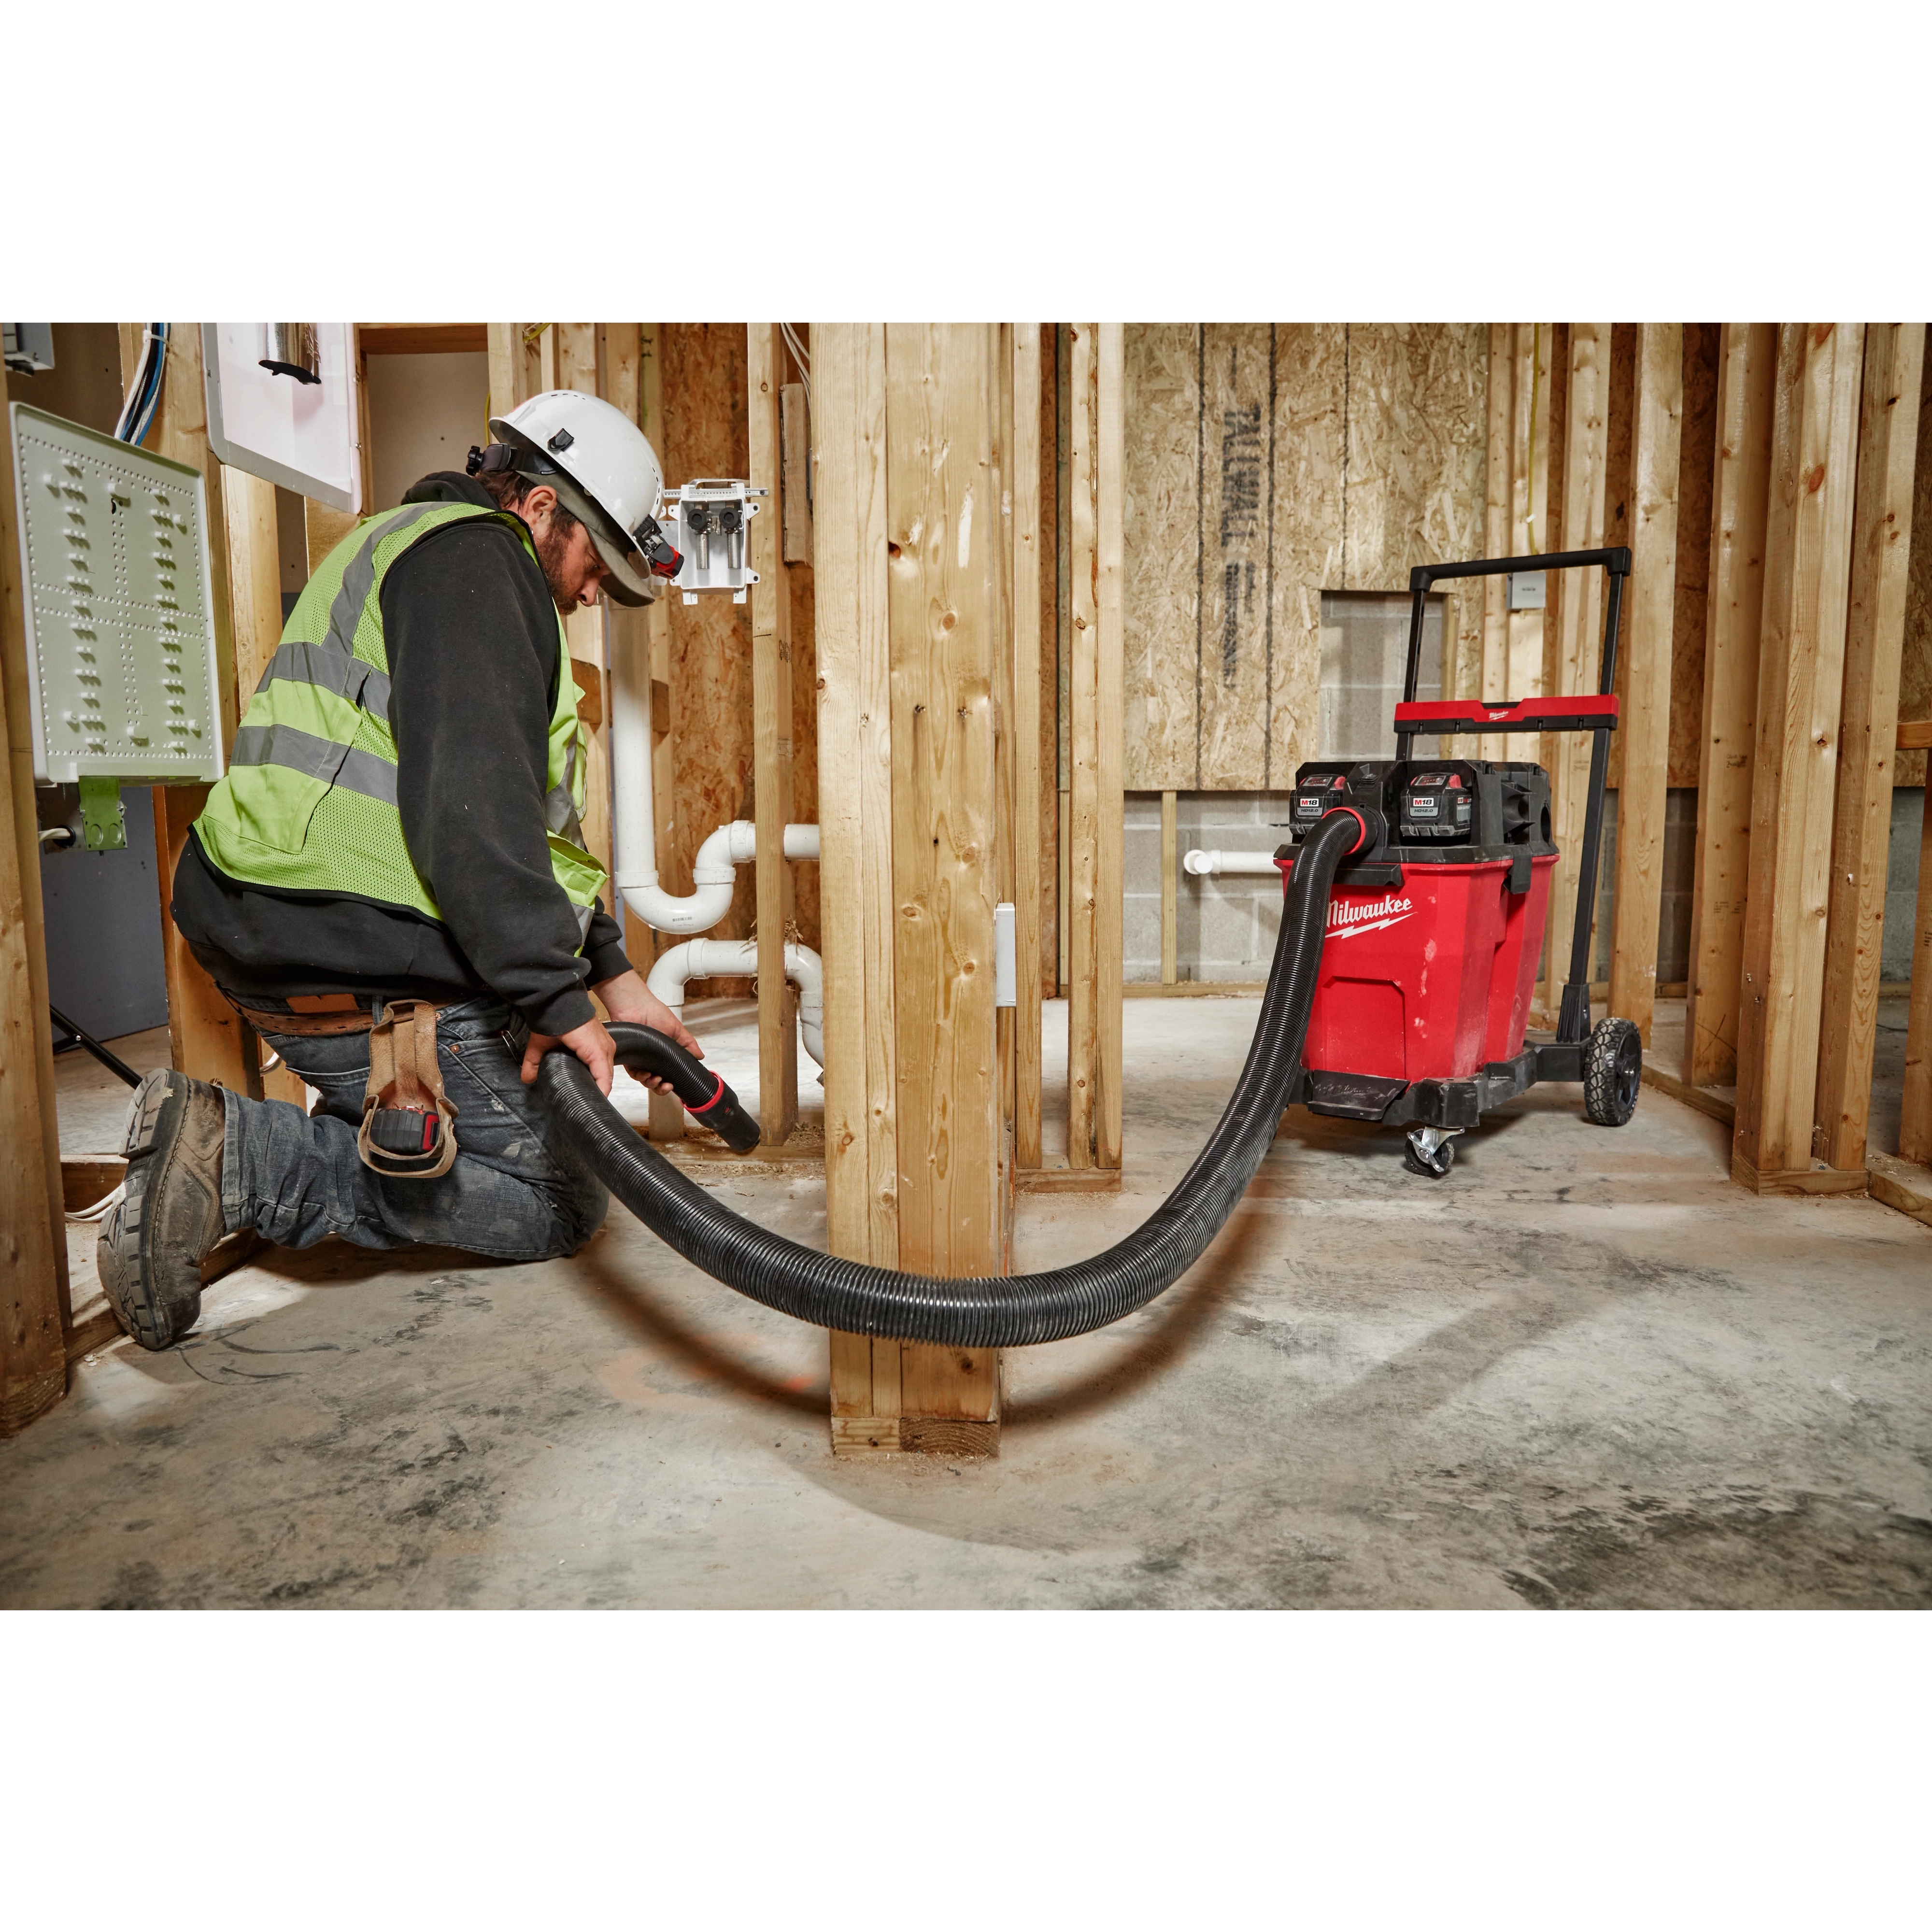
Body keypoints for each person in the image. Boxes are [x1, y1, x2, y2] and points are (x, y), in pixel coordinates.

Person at [99, 390, 695, 1350]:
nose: (594, 594)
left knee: (555, 1139)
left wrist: (609, 975)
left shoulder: (432, 556)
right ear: (540, 508)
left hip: (299, 911)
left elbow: (527, 830)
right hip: (333, 933)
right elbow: (470, 822)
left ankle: (256, 1148)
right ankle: (244, 1158)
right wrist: (554, 1000)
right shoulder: (478, 563)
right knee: (554, 1193)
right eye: (597, 563)